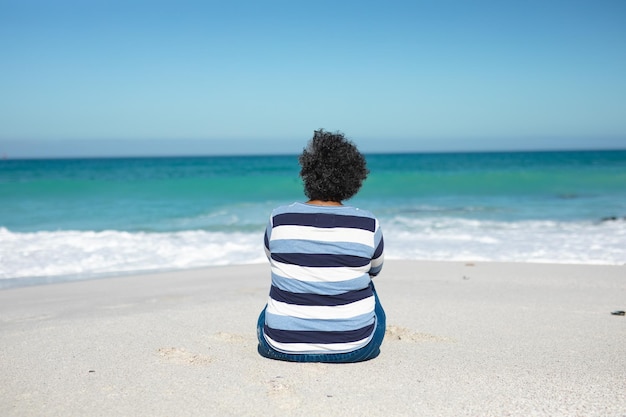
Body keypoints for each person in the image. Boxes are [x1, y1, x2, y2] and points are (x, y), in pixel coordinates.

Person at [257, 129, 385, 363]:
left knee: (283, 283)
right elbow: (375, 270)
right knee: (366, 282)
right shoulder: (368, 224)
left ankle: (294, 327)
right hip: (354, 347)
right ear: (353, 178)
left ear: (308, 173)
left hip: (280, 345)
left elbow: (272, 257)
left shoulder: (279, 219)